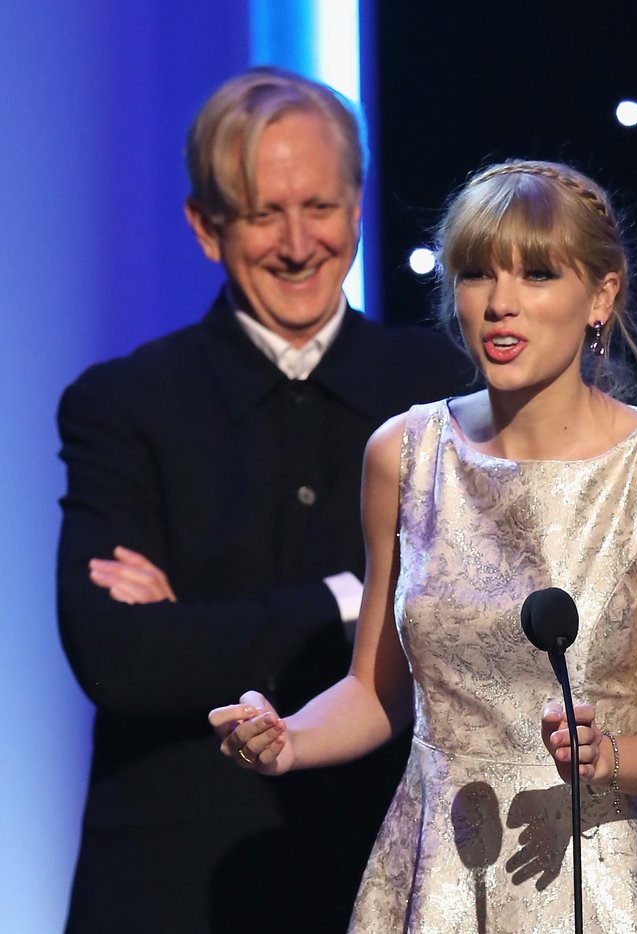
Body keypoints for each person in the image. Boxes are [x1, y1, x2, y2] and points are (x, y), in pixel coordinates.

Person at [210, 159, 637, 932]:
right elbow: (377, 692)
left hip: (595, 875)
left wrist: (612, 758)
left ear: (601, 294)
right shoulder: (404, 454)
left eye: (537, 274)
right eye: (476, 274)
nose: (500, 304)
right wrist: (290, 739)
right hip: (439, 875)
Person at [56, 66, 475, 934]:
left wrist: (201, 623)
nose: (297, 244)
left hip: (396, 870)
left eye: (319, 207)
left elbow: (480, 628)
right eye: (262, 214)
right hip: (177, 885)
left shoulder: (445, 393)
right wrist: (355, 600)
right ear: (206, 230)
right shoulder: (123, 404)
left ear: (357, 209)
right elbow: (119, 658)